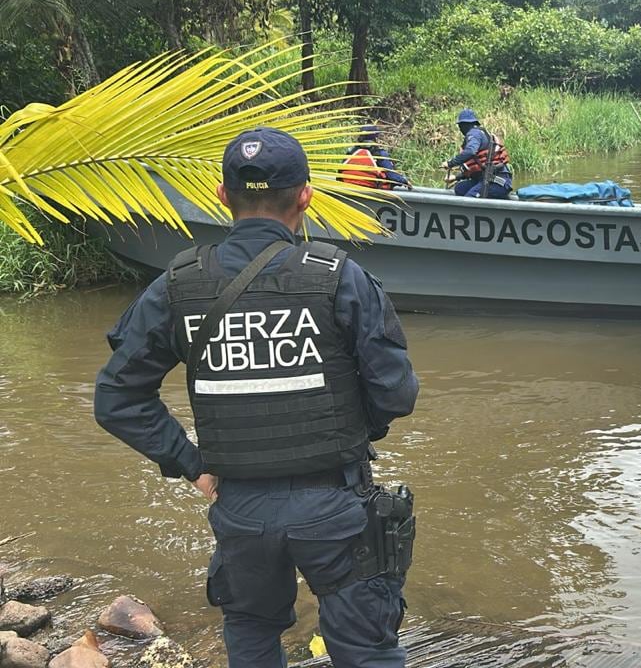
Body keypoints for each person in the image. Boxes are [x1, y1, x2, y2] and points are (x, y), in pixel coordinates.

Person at [94, 127, 420, 668]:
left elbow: (117, 398)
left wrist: (192, 464)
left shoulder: (177, 285)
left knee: (249, 631)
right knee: (366, 649)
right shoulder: (339, 277)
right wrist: (351, 429)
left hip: (238, 505)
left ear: (223, 196)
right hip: (335, 505)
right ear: (306, 194)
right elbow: (396, 393)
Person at [439, 108, 513, 199]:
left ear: (464, 125)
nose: (460, 129)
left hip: (496, 182)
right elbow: (478, 167)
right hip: (487, 179)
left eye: (460, 126)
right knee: (460, 188)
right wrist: (456, 177)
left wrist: (450, 163)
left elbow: (470, 151)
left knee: (469, 198)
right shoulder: (480, 133)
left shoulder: (474, 134)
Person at [338, 124, 411, 190]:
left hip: (348, 189)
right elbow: (392, 176)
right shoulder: (379, 153)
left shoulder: (351, 152)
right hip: (371, 191)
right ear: (375, 138)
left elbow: (340, 172)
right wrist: (405, 181)